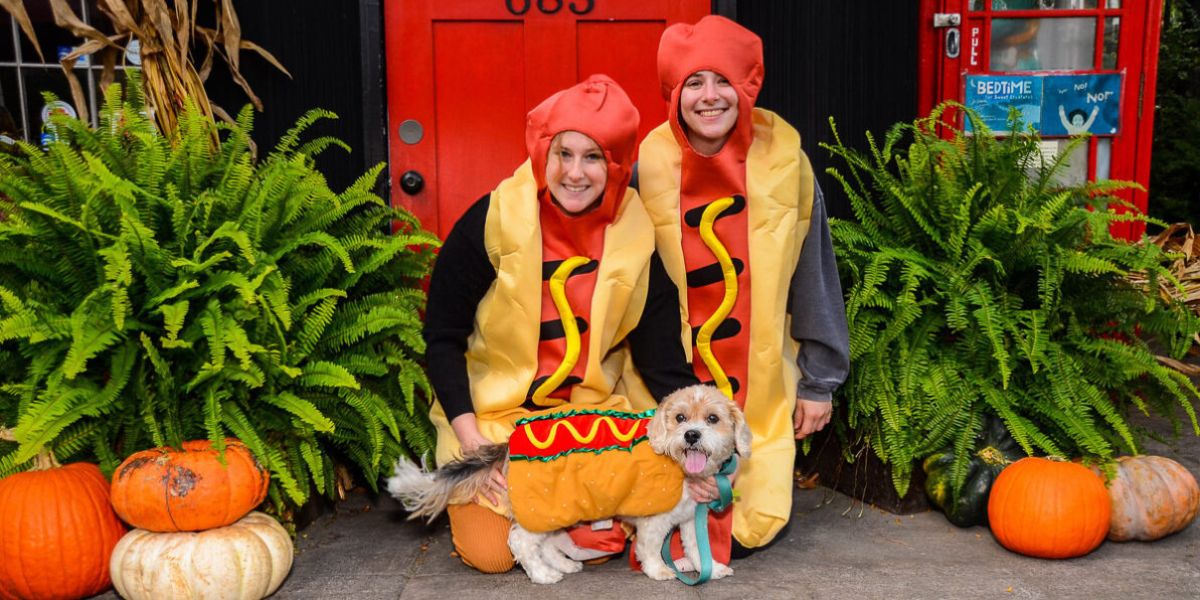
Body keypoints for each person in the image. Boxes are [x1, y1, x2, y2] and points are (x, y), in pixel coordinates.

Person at [421, 74, 699, 573]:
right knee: (491, 554)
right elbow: (442, 337)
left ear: (615, 166)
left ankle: (568, 516)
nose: (575, 172)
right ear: (542, 153)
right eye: (564, 154)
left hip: (587, 426)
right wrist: (470, 441)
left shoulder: (637, 237)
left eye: (593, 157)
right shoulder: (492, 219)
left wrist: (698, 448)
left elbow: (662, 365)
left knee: (609, 540)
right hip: (491, 421)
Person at [635, 15, 850, 557]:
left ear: (748, 85)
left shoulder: (787, 165)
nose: (710, 97)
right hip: (663, 385)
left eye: (723, 80)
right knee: (651, 517)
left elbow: (814, 272)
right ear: (673, 93)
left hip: (762, 390)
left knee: (750, 528)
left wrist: (819, 381)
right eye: (693, 83)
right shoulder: (646, 167)